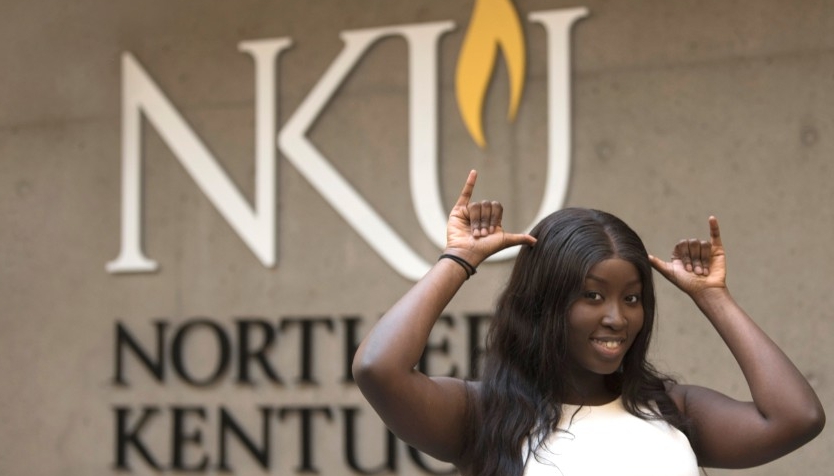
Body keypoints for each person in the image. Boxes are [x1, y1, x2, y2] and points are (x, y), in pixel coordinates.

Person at [352, 170, 825, 476]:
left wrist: (712, 296)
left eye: (632, 298)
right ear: (544, 302)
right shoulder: (484, 415)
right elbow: (378, 368)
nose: (617, 318)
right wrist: (458, 258)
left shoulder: (670, 409)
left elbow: (797, 418)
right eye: (592, 296)